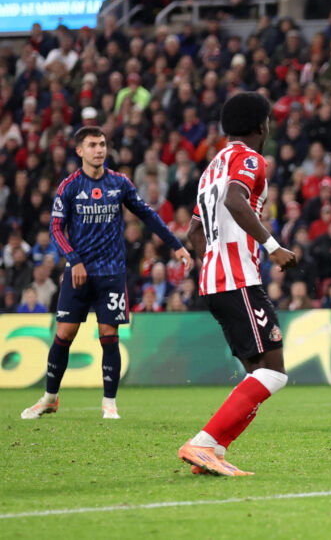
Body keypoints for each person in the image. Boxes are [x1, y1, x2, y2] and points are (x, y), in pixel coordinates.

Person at [21, 127, 192, 421]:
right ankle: (50, 398)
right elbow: (56, 229)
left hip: (112, 274)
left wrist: (176, 245)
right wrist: (73, 260)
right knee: (64, 334)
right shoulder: (69, 186)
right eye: (92, 145)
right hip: (79, 273)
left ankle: (109, 403)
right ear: (80, 151)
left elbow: (148, 215)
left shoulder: (119, 183)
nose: (99, 150)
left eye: (102, 144)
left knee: (108, 334)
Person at [178, 93, 298, 476]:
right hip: (237, 279)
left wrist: (212, 262)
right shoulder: (249, 158)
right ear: (262, 125)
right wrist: (274, 247)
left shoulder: (210, 167)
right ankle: (202, 442)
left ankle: (212, 450)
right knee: (274, 371)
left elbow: (193, 231)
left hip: (214, 281)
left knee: (257, 373)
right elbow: (234, 198)